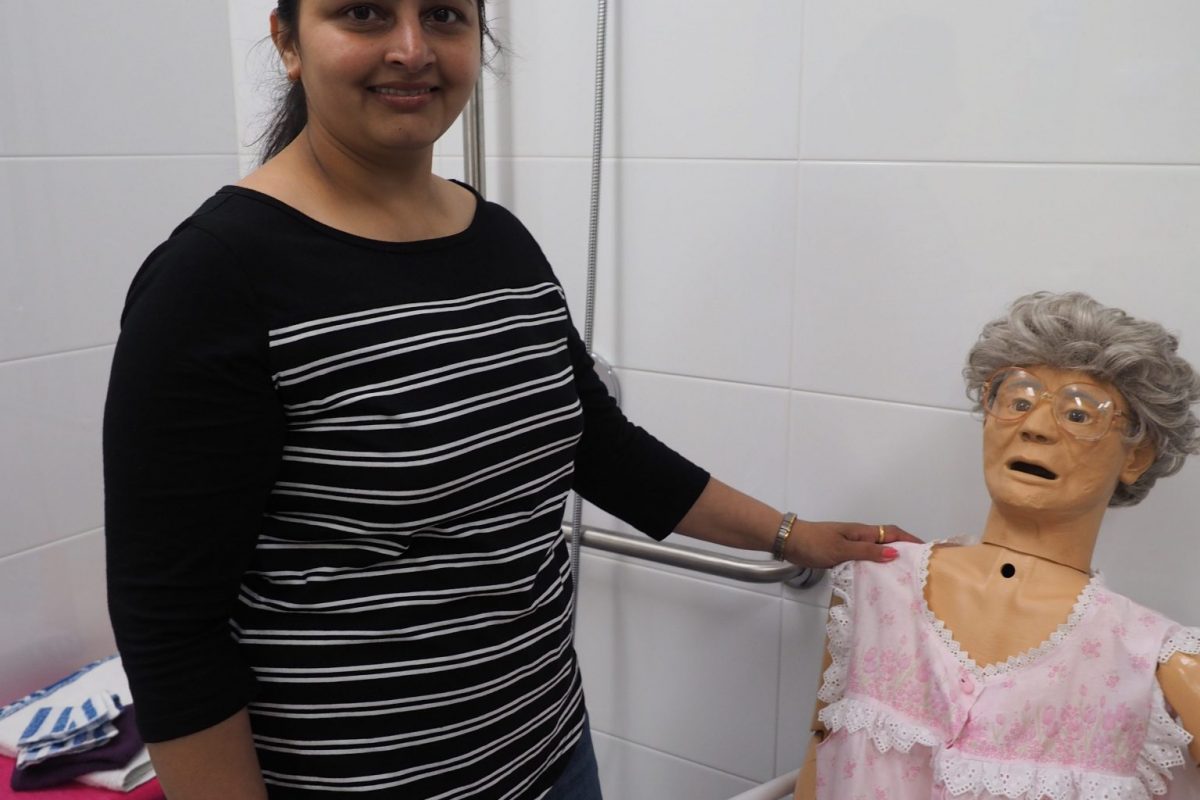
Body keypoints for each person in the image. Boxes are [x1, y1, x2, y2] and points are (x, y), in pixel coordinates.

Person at [102, 2, 917, 798]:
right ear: (288, 41)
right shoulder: (215, 279)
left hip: (550, 752)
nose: (412, 48)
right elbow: (170, 627)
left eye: (444, 16)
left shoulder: (495, 240)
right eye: (365, 14)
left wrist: (790, 534)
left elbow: (598, 445)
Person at [793, 291, 1200, 799]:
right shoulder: (873, 585)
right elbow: (822, 748)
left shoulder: (1155, 663)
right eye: (1018, 401)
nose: (1034, 427)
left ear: (1136, 457)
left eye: (1079, 415)